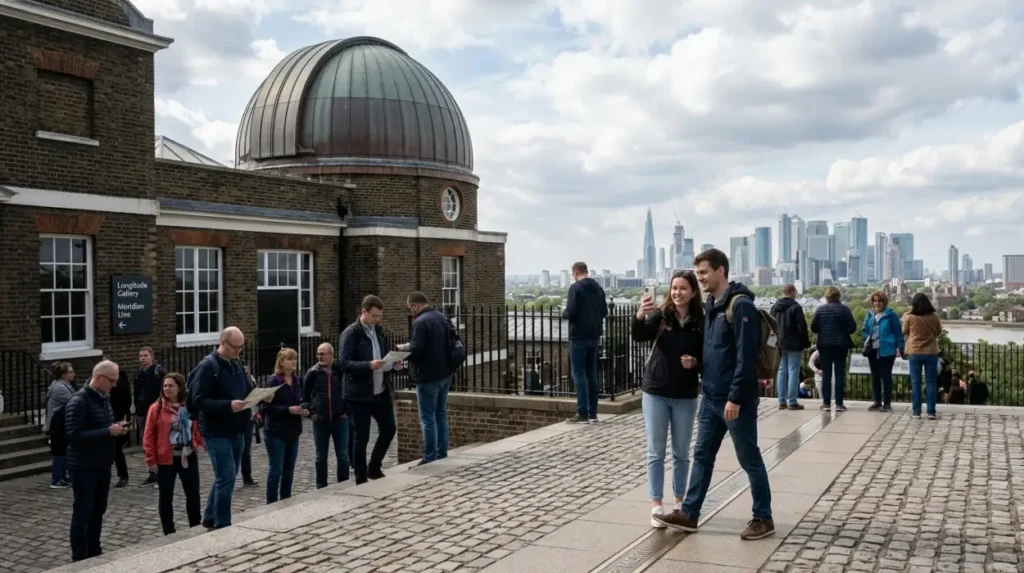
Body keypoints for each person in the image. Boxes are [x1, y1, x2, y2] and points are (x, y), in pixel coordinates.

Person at [653, 249, 774, 541]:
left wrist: (735, 397)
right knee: (702, 456)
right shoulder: (711, 304)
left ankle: (763, 517)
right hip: (710, 396)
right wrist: (698, 365)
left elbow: (745, 358)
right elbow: (715, 351)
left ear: (721, 271)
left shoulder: (740, 306)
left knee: (749, 458)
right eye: (698, 273)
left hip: (734, 399)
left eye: (704, 272)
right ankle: (690, 513)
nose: (700, 278)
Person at [632, 270, 703, 528]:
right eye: (674, 288)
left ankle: (679, 502)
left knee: (681, 452)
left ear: (693, 292)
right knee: (656, 451)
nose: (677, 293)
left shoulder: (701, 321)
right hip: (656, 391)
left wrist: (696, 363)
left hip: (685, 393)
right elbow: (640, 336)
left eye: (683, 288)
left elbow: (709, 354)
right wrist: (639, 317)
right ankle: (656, 504)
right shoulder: (661, 315)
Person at [191, 326, 253, 529]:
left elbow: (246, 390)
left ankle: (210, 516)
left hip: (238, 428)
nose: (238, 351)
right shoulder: (208, 366)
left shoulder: (236, 363)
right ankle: (222, 523)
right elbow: (199, 400)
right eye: (235, 347)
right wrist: (228, 405)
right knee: (226, 477)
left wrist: (260, 395)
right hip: (216, 431)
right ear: (223, 343)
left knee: (227, 476)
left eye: (241, 348)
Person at [65, 360, 127, 561]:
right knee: (83, 512)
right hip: (84, 467)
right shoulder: (79, 401)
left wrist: (116, 428)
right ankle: (79, 557)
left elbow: (102, 426)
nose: (114, 385)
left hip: (102, 464)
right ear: (99, 377)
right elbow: (73, 435)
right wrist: (107, 431)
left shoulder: (104, 398)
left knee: (98, 510)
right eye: (112, 381)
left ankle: (94, 550)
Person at [341, 295, 401, 483]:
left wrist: (394, 364)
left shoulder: (379, 332)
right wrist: (368, 365)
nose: (377, 319)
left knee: (389, 428)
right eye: (374, 316)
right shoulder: (351, 334)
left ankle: (374, 467)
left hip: (380, 391)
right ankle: (360, 477)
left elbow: (382, 359)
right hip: (359, 395)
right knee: (361, 437)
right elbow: (343, 363)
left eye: (380, 316)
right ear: (363, 312)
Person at [143, 373, 204, 535]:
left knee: (193, 494)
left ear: (179, 388)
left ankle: (195, 526)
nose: (167, 389)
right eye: (165, 386)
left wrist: (201, 443)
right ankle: (168, 531)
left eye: (171, 385)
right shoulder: (156, 408)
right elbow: (148, 434)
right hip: (165, 459)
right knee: (165, 496)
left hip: (188, 455)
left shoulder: (189, 406)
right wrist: (150, 459)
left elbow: (196, 428)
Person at [406, 291, 454, 463]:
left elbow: (417, 350)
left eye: (410, 308)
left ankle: (429, 456)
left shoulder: (420, 322)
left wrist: (405, 350)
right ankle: (442, 452)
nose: (410, 312)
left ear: (415, 305)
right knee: (441, 414)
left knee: (427, 418)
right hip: (445, 374)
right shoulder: (441, 317)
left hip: (427, 377)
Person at [561, 262, 608, 423]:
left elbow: (571, 312)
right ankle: (593, 413)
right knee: (592, 372)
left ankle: (582, 413)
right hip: (595, 335)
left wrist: (564, 313)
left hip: (578, 336)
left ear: (575, 272)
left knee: (579, 373)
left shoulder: (576, 288)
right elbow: (604, 311)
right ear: (586, 271)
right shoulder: (598, 289)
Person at [262, 348, 306, 503]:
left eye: (295, 358)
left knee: (289, 469)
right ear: (281, 362)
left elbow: (301, 400)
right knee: (276, 469)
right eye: (290, 359)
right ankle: (271, 503)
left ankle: (286, 499)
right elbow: (265, 408)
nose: (294, 362)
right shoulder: (274, 381)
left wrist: (304, 409)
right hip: (276, 432)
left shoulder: (297, 380)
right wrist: (287, 410)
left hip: (293, 430)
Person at [304, 343, 350, 487]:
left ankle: (343, 484)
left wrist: (346, 411)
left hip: (340, 419)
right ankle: (321, 486)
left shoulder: (340, 371)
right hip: (321, 420)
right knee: (321, 456)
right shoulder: (312, 373)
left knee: (343, 455)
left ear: (331, 355)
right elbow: (304, 397)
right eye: (318, 354)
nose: (320, 357)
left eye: (323, 354)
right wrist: (312, 413)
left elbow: (349, 390)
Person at [810, 286, 856, 412]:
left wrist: (823, 331)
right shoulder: (845, 309)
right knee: (840, 374)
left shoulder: (820, 310)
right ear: (839, 296)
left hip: (824, 345)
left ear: (827, 296)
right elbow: (853, 327)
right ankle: (839, 404)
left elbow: (813, 327)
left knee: (826, 374)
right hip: (841, 345)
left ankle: (826, 403)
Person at [861, 291, 905, 413]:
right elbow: (864, 330)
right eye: (875, 301)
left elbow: (898, 333)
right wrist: (868, 338)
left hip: (887, 350)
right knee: (875, 376)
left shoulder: (891, 315)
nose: (877, 303)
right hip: (872, 350)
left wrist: (900, 347)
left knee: (886, 376)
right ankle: (877, 401)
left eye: (879, 300)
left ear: (884, 302)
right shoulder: (869, 314)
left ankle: (887, 403)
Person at [902, 293, 943, 420]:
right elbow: (939, 331)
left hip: (915, 352)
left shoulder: (910, 317)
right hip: (931, 352)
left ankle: (916, 411)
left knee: (916, 382)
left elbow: (904, 331)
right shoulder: (934, 317)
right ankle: (931, 412)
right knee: (931, 382)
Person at [771, 284, 810, 410]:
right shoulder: (795, 307)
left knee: (782, 371)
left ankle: (781, 400)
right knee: (793, 371)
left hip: (779, 343)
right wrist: (806, 343)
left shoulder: (775, 307)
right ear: (792, 292)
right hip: (794, 343)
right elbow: (802, 327)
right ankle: (792, 401)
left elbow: (770, 325)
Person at [134, 347, 165, 488]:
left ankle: (160, 474)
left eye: (145, 355)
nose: (142, 358)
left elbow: (164, 391)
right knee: (147, 443)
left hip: (155, 412)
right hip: (141, 411)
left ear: (152, 357)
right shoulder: (138, 373)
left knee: (158, 442)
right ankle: (152, 473)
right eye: (140, 356)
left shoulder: (159, 372)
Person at [45, 362, 76, 489]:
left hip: (62, 424)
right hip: (56, 425)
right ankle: (57, 479)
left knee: (64, 451)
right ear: (63, 374)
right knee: (59, 453)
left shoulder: (66, 385)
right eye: (70, 372)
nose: (73, 374)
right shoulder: (59, 388)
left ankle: (64, 477)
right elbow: (73, 401)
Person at [109, 363, 133, 488]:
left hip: (115, 418)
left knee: (116, 448)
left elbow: (126, 401)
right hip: (110, 418)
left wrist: (118, 417)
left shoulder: (120, 382)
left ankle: (123, 475)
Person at [239, 365, 258, 488]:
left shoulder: (251, 379)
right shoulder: (235, 380)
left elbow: (255, 395)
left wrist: (256, 411)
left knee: (246, 449)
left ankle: (247, 477)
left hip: (249, 417)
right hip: (236, 417)